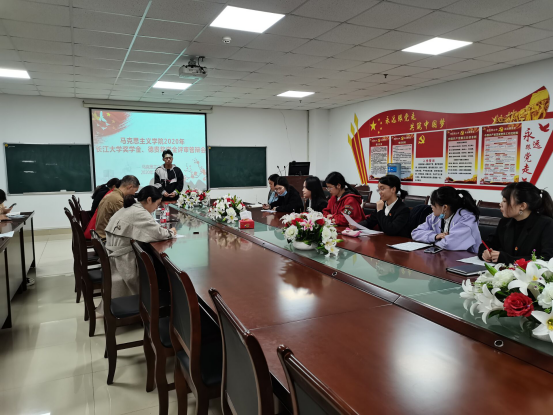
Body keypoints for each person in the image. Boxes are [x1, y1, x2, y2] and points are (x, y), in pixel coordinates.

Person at [105, 186, 176, 297]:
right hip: (123, 260)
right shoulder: (139, 212)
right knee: (160, 266)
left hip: (114, 254)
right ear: (149, 200)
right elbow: (158, 234)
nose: (156, 208)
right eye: (157, 204)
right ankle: (163, 297)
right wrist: (171, 232)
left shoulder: (133, 207)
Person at [478, 182, 553, 263]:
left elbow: (547, 258)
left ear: (522, 206)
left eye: (505, 201)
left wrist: (508, 259)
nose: (500, 204)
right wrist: (485, 252)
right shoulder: (505, 222)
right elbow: (489, 243)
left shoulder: (546, 224)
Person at [412, 186, 481, 252]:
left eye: (433, 204)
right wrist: (435, 236)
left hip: (467, 257)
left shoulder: (467, 218)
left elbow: (449, 244)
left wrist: (432, 240)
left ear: (445, 207)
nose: (431, 206)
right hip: (444, 254)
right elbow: (415, 233)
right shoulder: (436, 216)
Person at [95, 175, 140, 239]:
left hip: (101, 235)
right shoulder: (118, 200)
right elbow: (126, 223)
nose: (134, 194)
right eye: (135, 191)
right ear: (130, 187)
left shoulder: (112, 195)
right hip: (106, 238)